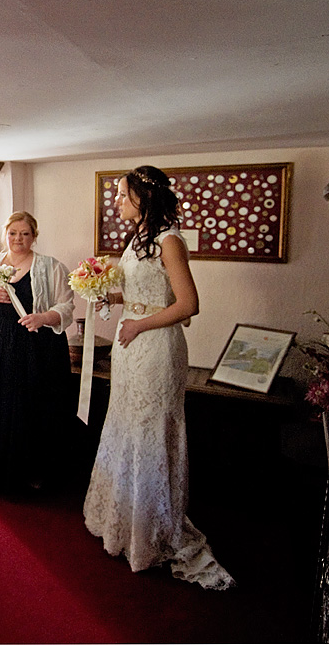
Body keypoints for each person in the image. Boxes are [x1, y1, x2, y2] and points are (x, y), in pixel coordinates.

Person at [83, 165, 235, 590]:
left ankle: (153, 532)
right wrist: (110, 295)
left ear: (144, 198)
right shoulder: (138, 240)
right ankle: (126, 523)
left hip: (155, 349)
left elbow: (188, 304)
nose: (115, 201)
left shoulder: (169, 240)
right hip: (132, 345)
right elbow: (143, 294)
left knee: (150, 432)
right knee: (127, 428)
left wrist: (138, 325)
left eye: (122, 194)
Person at [0, 211, 74, 493]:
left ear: (34, 236)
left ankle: (25, 473)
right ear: (5, 235)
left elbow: (66, 307)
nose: (18, 239)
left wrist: (42, 318)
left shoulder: (51, 267)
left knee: (25, 408)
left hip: (31, 351)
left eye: (25, 234)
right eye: (13, 233)